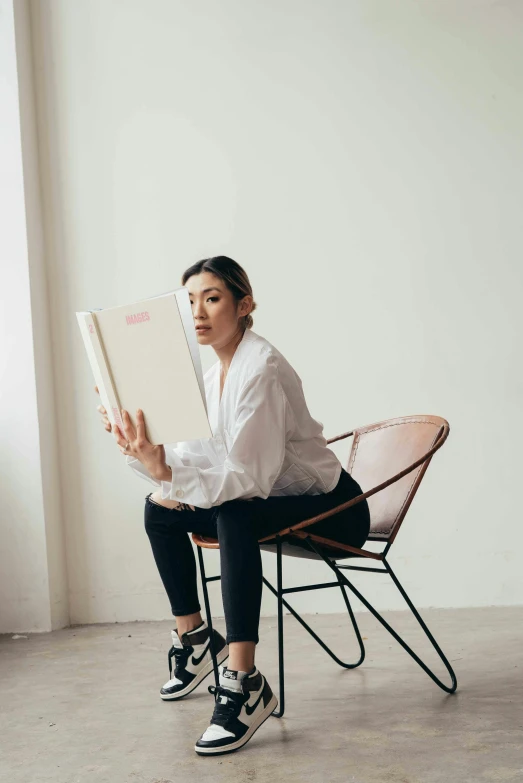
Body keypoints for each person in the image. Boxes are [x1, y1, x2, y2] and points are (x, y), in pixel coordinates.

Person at [95, 255, 370, 756]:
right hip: (271, 502)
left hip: (335, 509)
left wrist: (169, 473)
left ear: (244, 305)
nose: (198, 312)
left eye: (213, 298)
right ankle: (198, 640)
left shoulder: (260, 367)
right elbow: (193, 459)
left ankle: (244, 683)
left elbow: (249, 478)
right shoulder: (211, 374)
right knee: (160, 509)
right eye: (191, 301)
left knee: (234, 513)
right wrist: (143, 451)